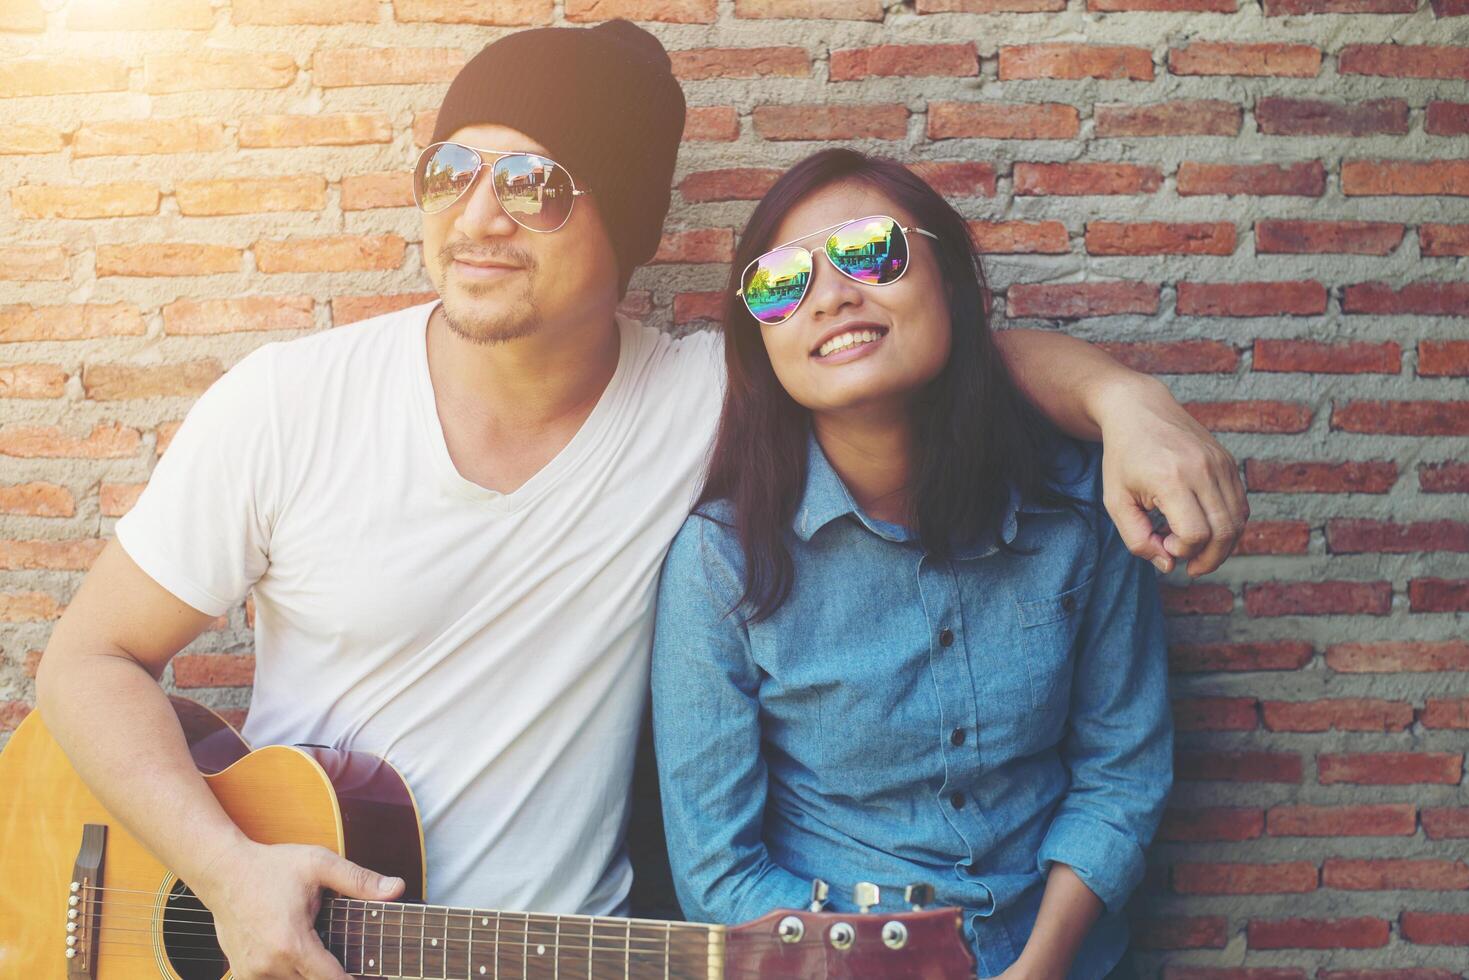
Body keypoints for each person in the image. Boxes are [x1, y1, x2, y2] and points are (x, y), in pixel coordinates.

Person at [34, 21, 1241, 980]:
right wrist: (226, 870)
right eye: (451, 170)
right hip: (295, 933)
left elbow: (908, 352)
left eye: (540, 181)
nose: (480, 213)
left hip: (559, 953)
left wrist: (1123, 402)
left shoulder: (700, 398)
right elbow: (85, 663)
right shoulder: (289, 404)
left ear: (628, 225)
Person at [651, 149, 1179, 979]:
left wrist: (1038, 966)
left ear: (954, 285)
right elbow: (719, 872)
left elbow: (1120, 772)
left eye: (870, 251)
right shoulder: (723, 563)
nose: (830, 294)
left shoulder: (1081, 509)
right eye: (780, 282)